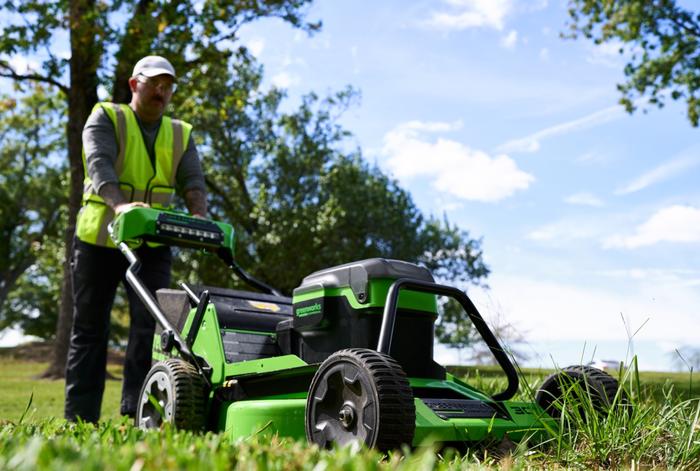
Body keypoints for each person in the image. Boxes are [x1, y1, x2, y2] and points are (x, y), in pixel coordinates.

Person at [64, 55, 207, 422]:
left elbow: (192, 182)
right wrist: (120, 205)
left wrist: (200, 219)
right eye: (155, 82)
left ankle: (138, 413)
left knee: (150, 328)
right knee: (90, 329)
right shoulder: (106, 117)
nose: (162, 90)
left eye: (168, 85)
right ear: (134, 84)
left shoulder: (180, 133)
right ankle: (80, 417)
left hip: (151, 245)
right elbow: (99, 165)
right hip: (99, 240)